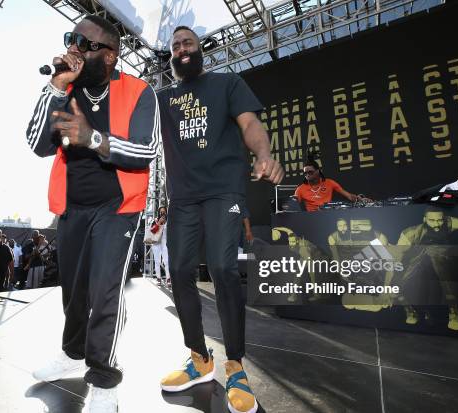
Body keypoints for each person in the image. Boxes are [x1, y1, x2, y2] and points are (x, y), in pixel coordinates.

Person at [26, 14, 159, 412]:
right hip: (73, 206)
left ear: (111, 56)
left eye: (85, 44)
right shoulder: (65, 89)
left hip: (117, 207)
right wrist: (54, 86)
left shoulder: (139, 91)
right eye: (71, 39)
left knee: (104, 292)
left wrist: (94, 137)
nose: (74, 48)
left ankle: (103, 376)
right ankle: (71, 352)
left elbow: (146, 150)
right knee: (74, 290)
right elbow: (37, 143)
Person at [157, 26, 284, 413]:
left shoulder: (227, 83)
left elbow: (249, 124)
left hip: (223, 189)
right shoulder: (163, 98)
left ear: (199, 50)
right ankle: (199, 358)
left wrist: (263, 153)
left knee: (223, 268)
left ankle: (235, 365)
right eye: (176, 45)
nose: (182, 48)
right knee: (178, 270)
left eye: (188, 43)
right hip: (182, 196)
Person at [294, 155, 368, 212]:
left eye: (310, 172)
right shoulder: (300, 189)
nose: (307, 175)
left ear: (318, 171)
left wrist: (361, 200)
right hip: (311, 219)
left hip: (328, 215)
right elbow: (293, 207)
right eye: (305, 173)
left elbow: (349, 196)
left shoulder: (329, 183)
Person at [150, 206, 171, 287]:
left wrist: (165, 222)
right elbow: (152, 231)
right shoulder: (155, 220)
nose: (162, 213)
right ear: (158, 212)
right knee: (157, 261)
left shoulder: (169, 221)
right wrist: (159, 222)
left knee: (166, 261)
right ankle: (158, 278)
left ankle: (168, 279)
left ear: (166, 212)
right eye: (161, 212)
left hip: (165, 243)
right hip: (156, 243)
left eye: (164, 211)